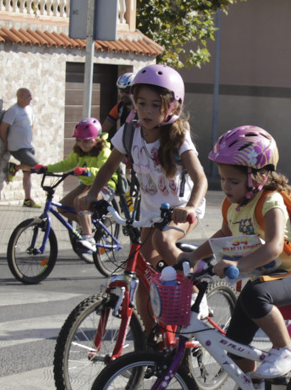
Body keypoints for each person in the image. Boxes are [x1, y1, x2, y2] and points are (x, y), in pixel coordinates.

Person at [181, 126, 291, 390]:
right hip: (263, 277)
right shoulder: (233, 204)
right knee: (236, 339)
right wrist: (193, 256)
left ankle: (286, 349)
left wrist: (238, 267)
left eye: (234, 180)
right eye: (223, 178)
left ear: (258, 177)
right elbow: (223, 234)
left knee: (254, 295)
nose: (226, 186)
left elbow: (275, 246)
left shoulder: (270, 201)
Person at [81, 63, 207, 267]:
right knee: (143, 265)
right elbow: (108, 167)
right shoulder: (129, 133)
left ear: (173, 106)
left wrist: (190, 206)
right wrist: (92, 193)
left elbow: (200, 178)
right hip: (150, 211)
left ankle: (194, 290)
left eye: (156, 105)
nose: (147, 111)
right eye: (141, 103)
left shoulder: (178, 137)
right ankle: (159, 295)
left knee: (163, 240)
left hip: (180, 208)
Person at [33, 117, 114, 252]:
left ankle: (89, 238)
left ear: (97, 139)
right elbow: (66, 164)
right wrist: (46, 168)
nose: (82, 144)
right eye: (79, 140)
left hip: (105, 185)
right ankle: (87, 224)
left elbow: (104, 171)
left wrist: (86, 170)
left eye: (87, 141)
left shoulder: (104, 151)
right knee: (62, 207)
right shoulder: (80, 151)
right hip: (87, 184)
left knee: (80, 201)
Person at [0, 88, 39, 207]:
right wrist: (5, 142)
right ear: (20, 97)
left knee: (28, 173)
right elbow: (3, 127)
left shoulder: (29, 110)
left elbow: (31, 125)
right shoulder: (13, 111)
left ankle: (27, 199)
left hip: (28, 146)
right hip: (17, 147)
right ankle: (15, 167)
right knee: (36, 165)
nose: (31, 99)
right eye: (28, 96)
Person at [101, 71, 135, 136]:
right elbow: (104, 129)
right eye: (121, 90)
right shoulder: (120, 107)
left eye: (127, 91)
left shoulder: (143, 108)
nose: (123, 94)